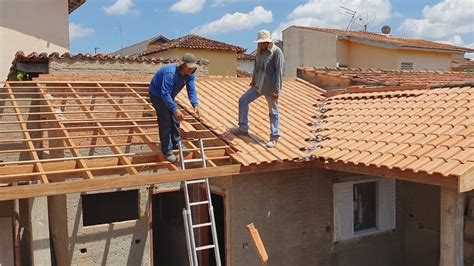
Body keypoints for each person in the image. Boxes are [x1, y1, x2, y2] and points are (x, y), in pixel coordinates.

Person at [232, 29, 285, 148]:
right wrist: (254, 79)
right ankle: (243, 128)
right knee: (243, 100)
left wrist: (277, 90)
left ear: (268, 42)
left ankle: (274, 137)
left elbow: (279, 73)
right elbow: (256, 66)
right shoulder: (259, 52)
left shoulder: (277, 52)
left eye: (262, 43)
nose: (260, 45)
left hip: (270, 88)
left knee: (273, 112)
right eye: (260, 43)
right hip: (258, 85)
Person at [149, 53, 200, 162]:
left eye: (193, 67)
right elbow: (165, 93)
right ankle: (167, 152)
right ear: (183, 65)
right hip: (157, 94)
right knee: (165, 122)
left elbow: (191, 90)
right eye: (189, 66)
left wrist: (195, 104)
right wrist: (175, 109)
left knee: (175, 120)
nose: (191, 69)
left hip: (168, 95)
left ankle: (177, 144)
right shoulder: (170, 73)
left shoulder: (190, 75)